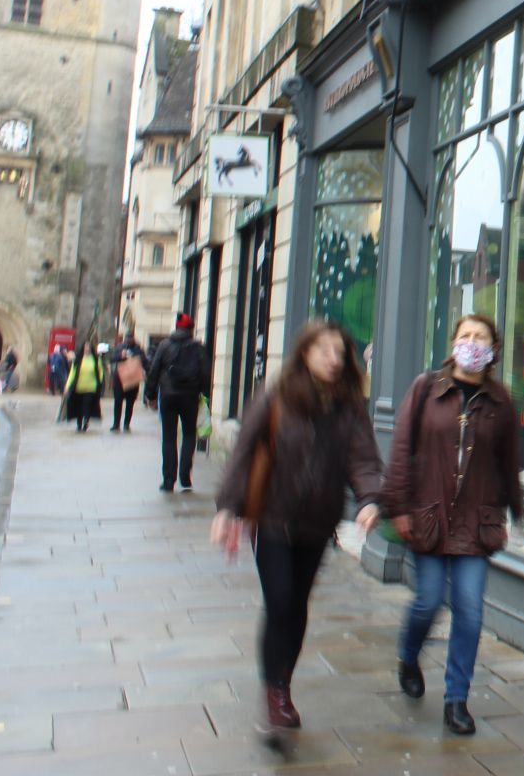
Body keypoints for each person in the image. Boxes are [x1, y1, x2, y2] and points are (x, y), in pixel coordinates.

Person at [211, 322, 383, 745]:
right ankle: (274, 697)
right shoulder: (277, 397)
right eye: (324, 349)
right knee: (281, 600)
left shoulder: (348, 407)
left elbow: (363, 459)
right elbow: (244, 453)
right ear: (304, 353)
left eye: (340, 351)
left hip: (317, 523)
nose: (333, 357)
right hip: (272, 519)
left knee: (297, 604)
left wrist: (370, 499)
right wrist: (228, 509)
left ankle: (282, 683)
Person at [383, 313, 524, 737]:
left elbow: (509, 464)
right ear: (453, 343)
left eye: (480, 337)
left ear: (493, 349)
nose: (472, 342)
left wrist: (514, 513)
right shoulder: (426, 388)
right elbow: (402, 446)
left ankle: (456, 699)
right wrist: (399, 507)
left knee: (469, 610)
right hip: (427, 517)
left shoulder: (500, 402)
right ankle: (409, 655)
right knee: (428, 600)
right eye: (465, 335)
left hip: (475, 524)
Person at [147, 313, 211, 492]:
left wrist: (150, 394)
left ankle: (168, 479)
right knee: (189, 435)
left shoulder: (165, 345)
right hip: (190, 397)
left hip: (168, 395)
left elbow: (154, 370)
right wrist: (204, 394)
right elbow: (206, 373)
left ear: (177, 327)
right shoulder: (198, 348)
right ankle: (185, 475)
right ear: (191, 329)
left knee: (169, 437)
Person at [107, 334, 147, 432]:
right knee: (118, 402)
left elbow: (145, 362)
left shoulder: (138, 349)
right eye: (127, 339)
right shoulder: (119, 348)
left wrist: (135, 358)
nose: (129, 341)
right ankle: (116, 424)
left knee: (130, 403)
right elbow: (112, 359)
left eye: (131, 339)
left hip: (132, 380)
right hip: (120, 379)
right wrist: (120, 356)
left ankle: (126, 424)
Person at [64, 343, 105, 431]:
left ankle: (86, 420)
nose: (87, 349)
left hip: (91, 386)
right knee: (79, 406)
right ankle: (79, 423)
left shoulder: (96, 359)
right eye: (85, 347)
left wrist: (100, 382)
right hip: (79, 387)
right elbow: (72, 373)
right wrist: (67, 386)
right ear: (83, 348)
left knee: (87, 404)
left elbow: (101, 371)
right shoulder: (78, 359)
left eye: (89, 347)